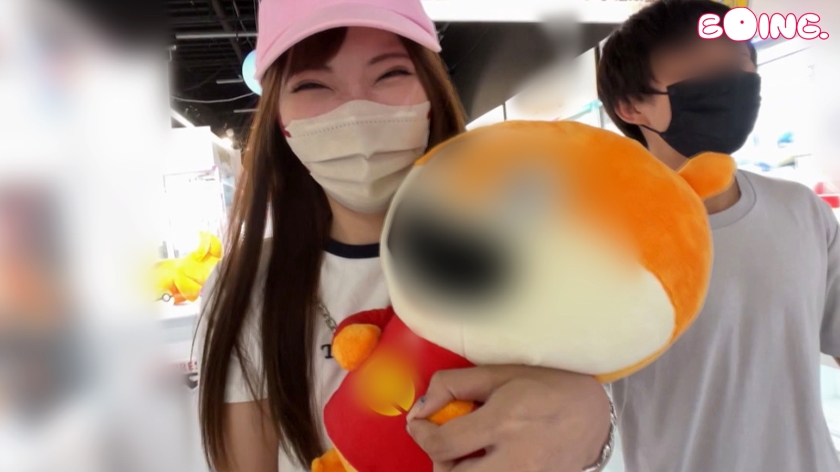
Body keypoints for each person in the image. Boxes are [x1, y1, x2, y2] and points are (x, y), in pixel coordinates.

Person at [196, 1, 613, 471]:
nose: (356, 109)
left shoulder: (529, 245)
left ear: (431, 94)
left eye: (390, 73)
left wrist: (594, 421)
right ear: (280, 119)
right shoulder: (248, 286)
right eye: (312, 84)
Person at [597, 0, 840, 471]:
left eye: (740, 61)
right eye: (699, 63)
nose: (730, 78)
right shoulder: (598, 238)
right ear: (630, 105)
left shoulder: (802, 210)